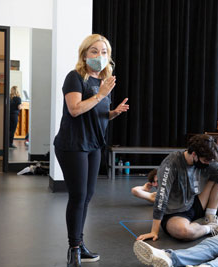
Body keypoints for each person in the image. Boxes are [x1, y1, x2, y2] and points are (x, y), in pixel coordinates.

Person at [53, 34, 129, 267]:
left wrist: (112, 113)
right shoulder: (75, 78)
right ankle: (73, 249)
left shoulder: (102, 81)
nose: (100, 56)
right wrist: (101, 96)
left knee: (86, 197)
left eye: (104, 52)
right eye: (94, 51)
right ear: (85, 54)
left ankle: (80, 243)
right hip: (73, 145)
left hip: (94, 146)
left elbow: (95, 114)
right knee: (77, 197)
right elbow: (75, 110)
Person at [137, 134, 218, 242]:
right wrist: (154, 231)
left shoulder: (206, 161)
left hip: (195, 202)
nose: (208, 164)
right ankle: (212, 227)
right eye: (205, 161)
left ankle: (210, 217)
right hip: (174, 213)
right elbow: (161, 197)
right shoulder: (171, 164)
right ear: (194, 154)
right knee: (184, 232)